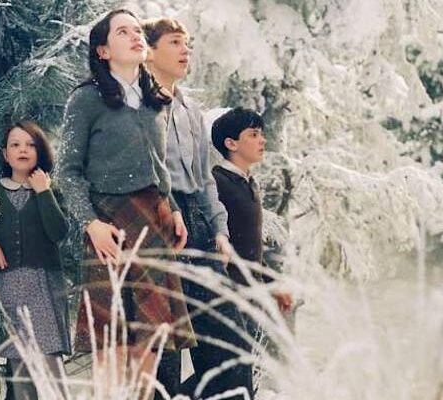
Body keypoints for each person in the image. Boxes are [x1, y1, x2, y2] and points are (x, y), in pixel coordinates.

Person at [56, 8, 196, 396]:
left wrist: (174, 209)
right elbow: (67, 172)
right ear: (102, 51)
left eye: (137, 30)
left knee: (152, 337)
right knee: (112, 338)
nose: (135, 36)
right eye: (122, 32)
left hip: (156, 222)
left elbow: (159, 167)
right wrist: (91, 224)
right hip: (108, 225)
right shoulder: (85, 100)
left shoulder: (156, 101)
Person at [144, 18, 253, 400]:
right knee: (165, 358)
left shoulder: (190, 108)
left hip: (200, 228)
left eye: (187, 43)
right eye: (175, 42)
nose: (185, 50)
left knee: (232, 348)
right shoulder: (136, 107)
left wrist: (219, 231)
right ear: (150, 51)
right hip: (158, 223)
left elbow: (204, 177)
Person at [0, 121, 70, 399]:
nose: (23, 150)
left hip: (43, 286)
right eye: (15, 145)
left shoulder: (51, 191)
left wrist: (43, 192)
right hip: (7, 287)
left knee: (49, 360)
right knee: (19, 365)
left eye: (30, 144)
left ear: (40, 151)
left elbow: (58, 232)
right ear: (5, 154)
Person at [211, 107, 293, 337]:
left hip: (249, 296)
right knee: (233, 358)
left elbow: (249, 248)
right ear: (231, 143)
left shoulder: (249, 183)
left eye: (262, 134)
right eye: (254, 135)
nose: (262, 140)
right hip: (227, 297)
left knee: (248, 358)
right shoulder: (218, 183)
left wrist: (273, 284)